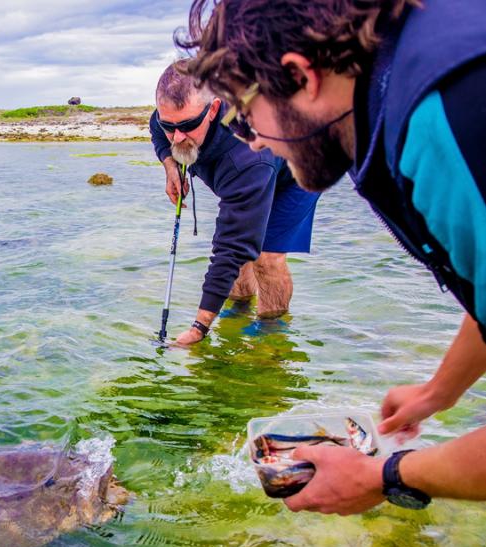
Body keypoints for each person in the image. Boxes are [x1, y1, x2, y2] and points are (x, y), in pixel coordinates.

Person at [180, 0, 486, 513]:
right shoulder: (410, 73)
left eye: (246, 118)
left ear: (300, 75)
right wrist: (440, 390)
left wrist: (386, 475)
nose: (252, 145)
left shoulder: (443, 119)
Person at [150, 63, 321, 345]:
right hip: (251, 170)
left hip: (297, 165)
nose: (177, 136)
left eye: (188, 126)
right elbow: (156, 128)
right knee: (241, 255)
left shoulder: (246, 157)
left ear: (213, 109)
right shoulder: (173, 116)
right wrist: (170, 164)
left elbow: (230, 247)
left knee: (265, 257)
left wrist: (198, 328)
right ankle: (240, 308)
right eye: (169, 126)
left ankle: (272, 330)